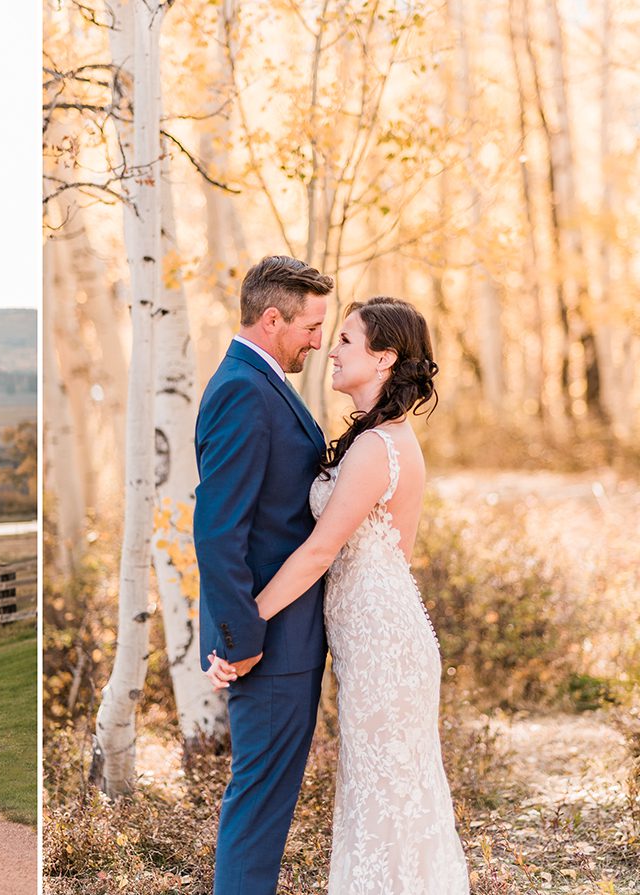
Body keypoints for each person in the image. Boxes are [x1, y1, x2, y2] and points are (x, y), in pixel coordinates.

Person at [223, 297, 469, 893]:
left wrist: (244, 625)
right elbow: (393, 554)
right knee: (381, 796)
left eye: (347, 342)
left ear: (384, 358)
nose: (331, 350)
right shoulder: (382, 440)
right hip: (380, 640)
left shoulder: (376, 446)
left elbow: (317, 552)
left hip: (385, 650)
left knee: (389, 799)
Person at [193, 255, 334, 895]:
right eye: (310, 326)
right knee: (257, 809)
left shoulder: (259, 380)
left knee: (265, 805)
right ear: (272, 318)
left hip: (286, 638)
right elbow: (219, 529)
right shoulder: (242, 390)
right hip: (268, 647)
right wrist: (240, 640)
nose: (317, 340)